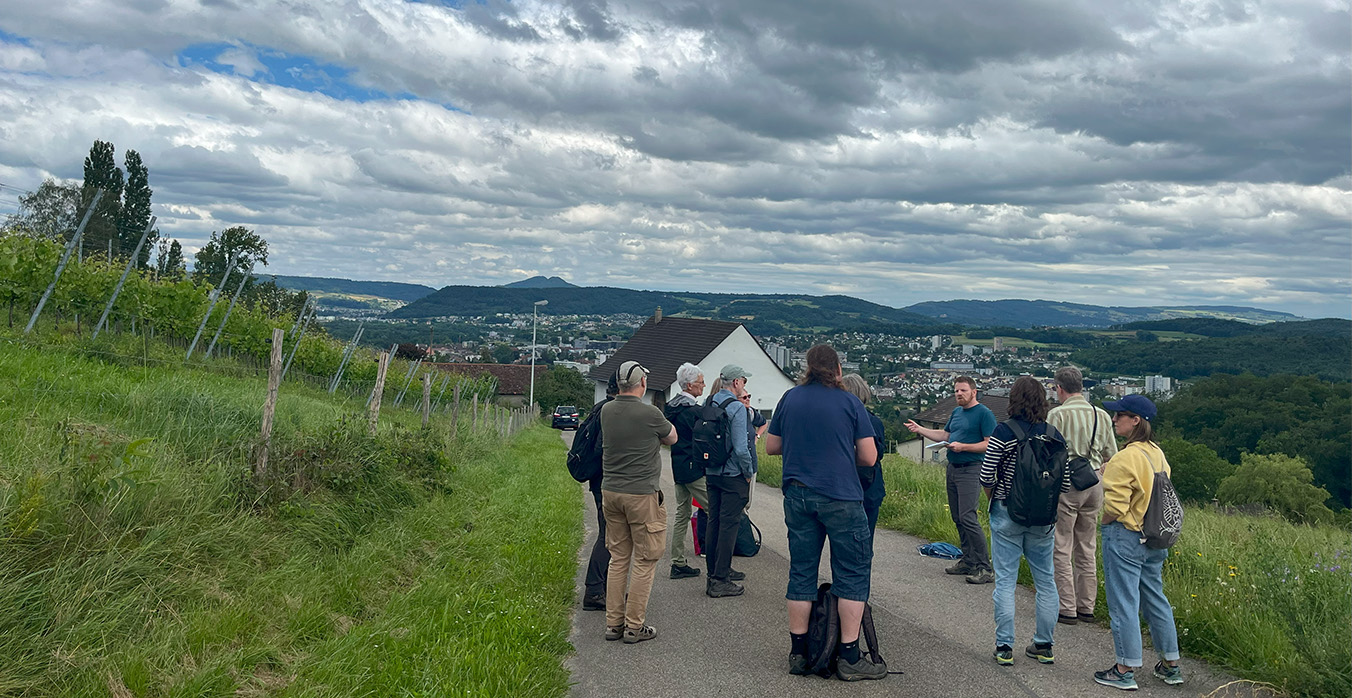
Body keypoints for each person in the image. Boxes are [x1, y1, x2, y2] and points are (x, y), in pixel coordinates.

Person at [767, 345, 884, 681]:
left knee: (801, 571)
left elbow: (772, 446)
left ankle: (799, 653)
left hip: (798, 495)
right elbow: (869, 457)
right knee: (852, 573)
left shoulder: (790, 398)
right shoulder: (849, 402)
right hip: (841, 497)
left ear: (807, 367)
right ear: (837, 369)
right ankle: (848, 655)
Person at [1094, 394, 1184, 690]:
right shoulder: (1156, 452)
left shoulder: (1124, 457)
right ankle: (1171, 664)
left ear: (1135, 421)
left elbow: (1116, 507)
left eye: (1120, 415)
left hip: (1127, 534)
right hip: (1155, 535)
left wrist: (1104, 523)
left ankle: (1125, 668)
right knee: (1155, 598)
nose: (1114, 419)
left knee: (1124, 603)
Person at [979, 376, 1069, 667]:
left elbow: (986, 476)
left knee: (1005, 581)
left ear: (1013, 399)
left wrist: (994, 497)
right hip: (1043, 517)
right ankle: (1044, 644)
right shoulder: (1055, 435)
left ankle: (1005, 646)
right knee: (1046, 581)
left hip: (1007, 511)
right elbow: (1064, 484)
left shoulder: (1004, 432)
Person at [600, 361, 678, 644]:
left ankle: (613, 623)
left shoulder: (607, 410)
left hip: (611, 491)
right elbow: (672, 438)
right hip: (642, 493)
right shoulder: (650, 413)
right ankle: (634, 626)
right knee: (645, 559)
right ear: (642, 383)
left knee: (618, 558)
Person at [905, 376, 997, 583]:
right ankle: (968, 560)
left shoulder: (984, 414)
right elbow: (946, 435)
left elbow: (989, 444)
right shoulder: (956, 412)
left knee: (968, 517)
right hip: (953, 467)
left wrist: (963, 447)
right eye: (956, 391)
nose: (959, 394)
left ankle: (984, 567)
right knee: (957, 516)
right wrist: (920, 430)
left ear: (974, 392)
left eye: (963, 390)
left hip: (971, 468)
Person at [1047, 366, 1117, 625]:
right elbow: (1111, 454)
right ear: (1082, 386)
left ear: (1059, 388)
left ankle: (1067, 607)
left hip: (1067, 482)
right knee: (1087, 545)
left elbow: (1047, 453)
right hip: (1095, 481)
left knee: (1062, 544)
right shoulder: (1102, 415)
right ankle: (1087, 605)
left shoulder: (1057, 415)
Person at [703, 365, 755, 598]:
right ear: (735, 382)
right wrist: (748, 472)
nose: (744, 385)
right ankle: (720, 579)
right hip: (733, 474)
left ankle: (713, 572)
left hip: (712, 471)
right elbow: (741, 448)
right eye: (743, 381)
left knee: (714, 521)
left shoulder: (710, 402)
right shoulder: (736, 408)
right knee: (729, 525)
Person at [663, 362, 709, 580]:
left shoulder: (672, 407)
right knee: (716, 509)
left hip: (678, 465)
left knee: (682, 512)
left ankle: (677, 561)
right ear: (690, 386)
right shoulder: (693, 412)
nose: (704, 385)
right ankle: (718, 560)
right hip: (693, 467)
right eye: (700, 382)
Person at [578, 373, 619, 611]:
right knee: (608, 535)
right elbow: (605, 447)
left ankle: (600, 588)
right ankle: (594, 590)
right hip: (605, 481)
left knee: (608, 534)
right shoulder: (610, 412)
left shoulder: (599, 407)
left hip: (598, 480)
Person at [842, 374, 887, 535]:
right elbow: (877, 455)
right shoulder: (873, 421)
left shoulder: (838, 420)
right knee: (865, 539)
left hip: (842, 488)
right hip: (869, 488)